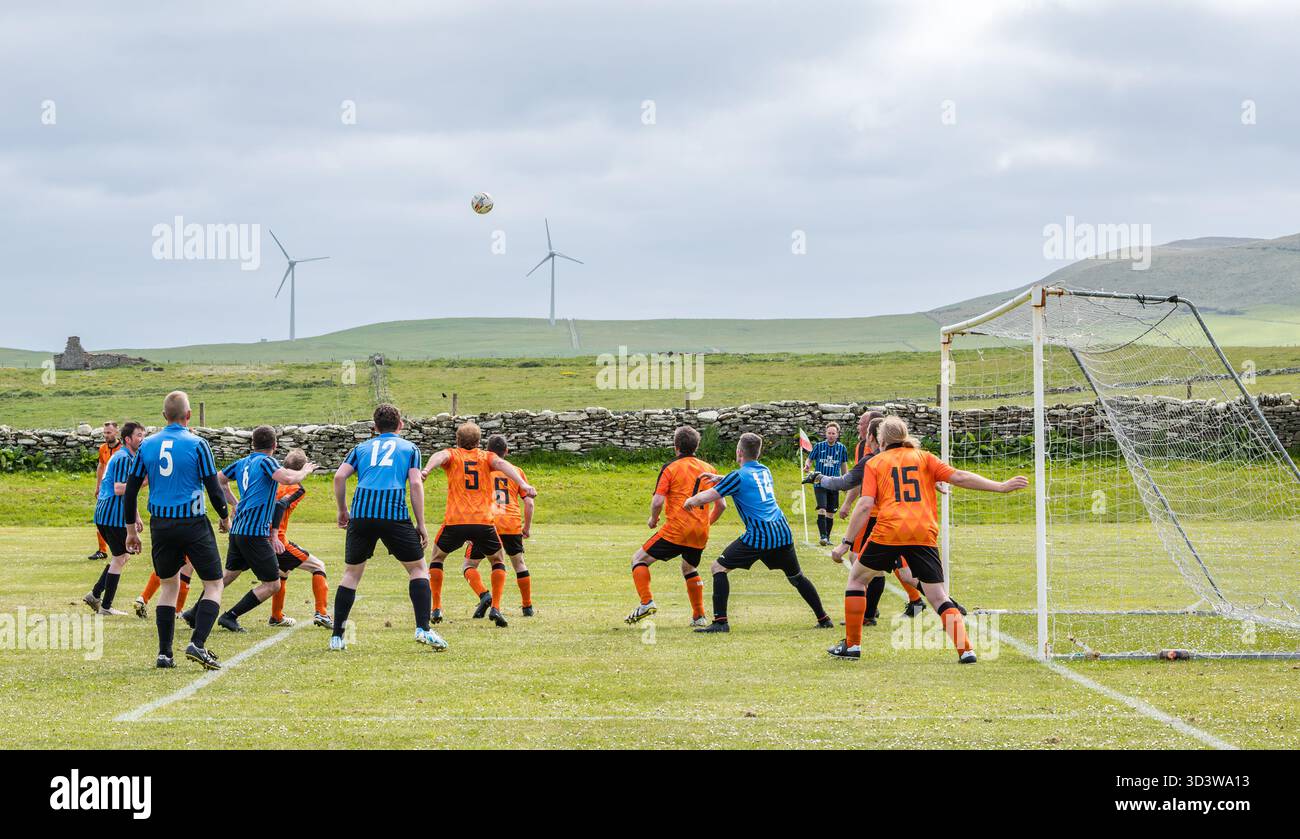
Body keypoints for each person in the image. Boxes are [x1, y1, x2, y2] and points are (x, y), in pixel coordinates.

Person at [828, 416, 1028, 663]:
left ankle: (852, 645)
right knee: (938, 596)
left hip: (889, 531)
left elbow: (865, 504)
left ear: (881, 440)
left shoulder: (876, 462)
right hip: (923, 532)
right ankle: (966, 649)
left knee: (858, 579)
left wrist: (845, 543)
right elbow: (960, 477)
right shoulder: (925, 458)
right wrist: (1000, 486)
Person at [123, 391, 231, 670]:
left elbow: (131, 489)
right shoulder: (198, 444)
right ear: (189, 416)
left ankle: (164, 653)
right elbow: (212, 485)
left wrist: (130, 530)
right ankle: (197, 643)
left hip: (161, 524)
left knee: (168, 586)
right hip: (193, 523)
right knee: (214, 584)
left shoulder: (146, 445)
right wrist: (223, 515)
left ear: (163, 417)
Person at [684, 432, 832, 633]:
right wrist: (720, 478)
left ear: (739, 452)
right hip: (782, 532)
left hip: (759, 535)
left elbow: (708, 496)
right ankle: (824, 619)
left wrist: (690, 501)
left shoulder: (737, 476)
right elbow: (746, 482)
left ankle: (720, 622)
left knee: (718, 568)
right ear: (758, 453)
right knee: (796, 577)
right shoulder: (765, 470)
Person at [184, 426, 317, 632]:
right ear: (274, 445)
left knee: (228, 575)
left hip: (238, 530)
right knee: (273, 584)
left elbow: (219, 479)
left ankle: (194, 613)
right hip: (254, 533)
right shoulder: (266, 461)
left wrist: (235, 503)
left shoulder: (243, 462)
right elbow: (288, 479)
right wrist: (305, 471)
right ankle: (230, 616)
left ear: (252, 444)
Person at [331, 404, 441, 651]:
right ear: (400, 425)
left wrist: (342, 510)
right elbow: (415, 484)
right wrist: (421, 523)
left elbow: (339, 477)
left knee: (351, 574)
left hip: (361, 514)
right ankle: (423, 629)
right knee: (417, 570)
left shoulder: (360, 448)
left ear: (374, 428)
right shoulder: (410, 448)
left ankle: (337, 637)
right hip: (393, 513)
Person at [811, 412, 926, 622]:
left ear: (875, 435)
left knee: (864, 567)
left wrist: (820, 479)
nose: (858, 425)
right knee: (891, 567)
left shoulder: (874, 457)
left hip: (880, 518)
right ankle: (931, 601)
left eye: (862, 422)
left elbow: (848, 482)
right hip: (899, 518)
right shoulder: (901, 454)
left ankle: (866, 617)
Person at [422, 422, 536, 628]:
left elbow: (440, 456)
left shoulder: (452, 454)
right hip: (484, 522)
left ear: (457, 441)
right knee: (498, 561)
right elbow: (503, 465)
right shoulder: (487, 458)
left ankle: (436, 607)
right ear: (478, 442)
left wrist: (427, 469)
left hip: (456, 521)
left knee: (438, 558)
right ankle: (497, 607)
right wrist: (524, 484)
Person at [625, 425, 726, 627]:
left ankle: (646, 602)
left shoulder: (670, 467)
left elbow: (657, 502)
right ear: (696, 446)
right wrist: (705, 524)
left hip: (677, 529)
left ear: (676, 446)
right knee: (689, 567)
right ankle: (699, 617)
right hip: (700, 532)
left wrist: (653, 520)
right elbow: (722, 505)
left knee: (638, 559)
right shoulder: (710, 469)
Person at [462, 435, 536, 618]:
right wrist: (526, 528)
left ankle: (484, 595)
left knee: (469, 565)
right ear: (507, 451)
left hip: (486, 523)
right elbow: (530, 503)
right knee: (518, 563)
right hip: (511, 523)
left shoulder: (482, 470)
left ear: (487, 451)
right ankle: (527, 607)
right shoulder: (516, 471)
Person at [83, 421, 145, 616]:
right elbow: (120, 489)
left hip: (111, 515)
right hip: (111, 515)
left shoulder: (128, 456)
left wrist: (136, 516)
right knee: (120, 557)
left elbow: (129, 493)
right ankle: (105, 606)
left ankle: (95, 595)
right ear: (128, 439)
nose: (142, 439)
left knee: (122, 556)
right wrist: (147, 481)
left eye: (143, 435)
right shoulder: (124, 458)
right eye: (138, 436)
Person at [266, 448, 332, 629]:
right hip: (276, 540)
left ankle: (276, 616)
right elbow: (281, 505)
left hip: (259, 536)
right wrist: (275, 534)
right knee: (318, 566)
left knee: (282, 572)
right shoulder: (297, 488)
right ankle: (322, 613)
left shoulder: (273, 481)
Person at [804, 422, 849, 545]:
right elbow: (810, 458)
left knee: (830, 512)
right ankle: (823, 537)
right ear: (826, 433)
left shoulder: (842, 448)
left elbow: (844, 466)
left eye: (833, 433)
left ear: (837, 434)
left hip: (835, 483)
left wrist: (846, 483)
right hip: (819, 481)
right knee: (822, 508)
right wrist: (807, 465)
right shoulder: (819, 446)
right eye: (829, 433)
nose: (830, 435)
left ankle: (827, 538)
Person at [88, 421, 121, 559]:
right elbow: (101, 466)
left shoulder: (123, 449)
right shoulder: (103, 448)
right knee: (100, 519)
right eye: (105, 433)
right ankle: (102, 550)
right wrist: (98, 486)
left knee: (120, 520)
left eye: (109, 432)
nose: (106, 435)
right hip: (105, 491)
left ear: (116, 432)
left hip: (119, 490)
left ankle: (124, 547)